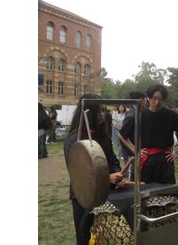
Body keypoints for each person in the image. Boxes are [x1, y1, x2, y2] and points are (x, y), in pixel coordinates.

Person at [63, 94, 127, 245]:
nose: (103, 114)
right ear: (88, 113)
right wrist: (107, 179)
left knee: (104, 236)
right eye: (99, 111)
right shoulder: (74, 140)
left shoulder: (102, 135)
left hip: (106, 194)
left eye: (104, 110)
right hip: (83, 197)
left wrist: (119, 175)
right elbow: (79, 175)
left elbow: (112, 159)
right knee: (86, 236)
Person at [119, 84, 178, 184]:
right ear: (149, 98)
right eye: (154, 98)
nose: (157, 102)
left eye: (160, 99)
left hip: (165, 161)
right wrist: (135, 149)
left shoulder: (171, 115)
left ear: (164, 100)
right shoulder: (140, 115)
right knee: (144, 192)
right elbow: (122, 134)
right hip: (145, 160)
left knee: (166, 192)